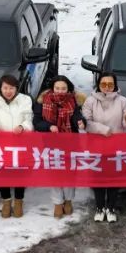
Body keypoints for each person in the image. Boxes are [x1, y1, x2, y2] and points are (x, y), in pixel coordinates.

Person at [82, 72, 126, 223]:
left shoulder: (123, 100)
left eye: (110, 85)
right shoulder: (90, 101)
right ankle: (99, 207)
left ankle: (111, 207)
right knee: (98, 177)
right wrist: (102, 130)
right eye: (103, 84)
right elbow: (86, 122)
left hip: (116, 146)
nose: (107, 88)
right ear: (98, 85)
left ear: (115, 85)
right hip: (96, 145)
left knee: (113, 178)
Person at [34, 75, 87, 218]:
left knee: (70, 173)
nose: (60, 91)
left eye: (63, 88)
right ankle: (57, 202)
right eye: (57, 88)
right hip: (51, 143)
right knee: (55, 173)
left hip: (71, 142)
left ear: (68, 89)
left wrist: (81, 122)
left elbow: (76, 116)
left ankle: (68, 200)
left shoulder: (73, 100)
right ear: (52, 88)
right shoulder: (42, 101)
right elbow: (37, 122)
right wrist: (49, 126)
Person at [0, 74, 34, 217]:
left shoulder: (25, 100)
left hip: (20, 144)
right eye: (5, 88)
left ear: (16, 88)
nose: (8, 91)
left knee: (20, 173)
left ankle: (18, 202)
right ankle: (6, 201)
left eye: (11, 88)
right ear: (0, 88)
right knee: (2, 173)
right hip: (1, 145)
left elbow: (29, 120)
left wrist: (22, 127)